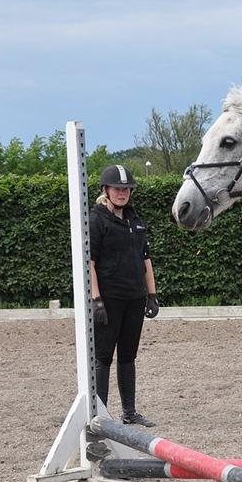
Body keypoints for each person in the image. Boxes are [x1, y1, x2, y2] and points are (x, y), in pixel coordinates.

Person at [89, 164, 160, 425]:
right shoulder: (96, 221)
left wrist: (151, 294)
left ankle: (129, 412)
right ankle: (100, 414)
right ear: (106, 190)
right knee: (104, 356)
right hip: (109, 299)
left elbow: (146, 258)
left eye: (126, 189)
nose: (122, 193)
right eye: (117, 189)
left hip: (135, 298)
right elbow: (91, 263)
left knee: (128, 356)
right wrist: (96, 299)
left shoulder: (135, 220)